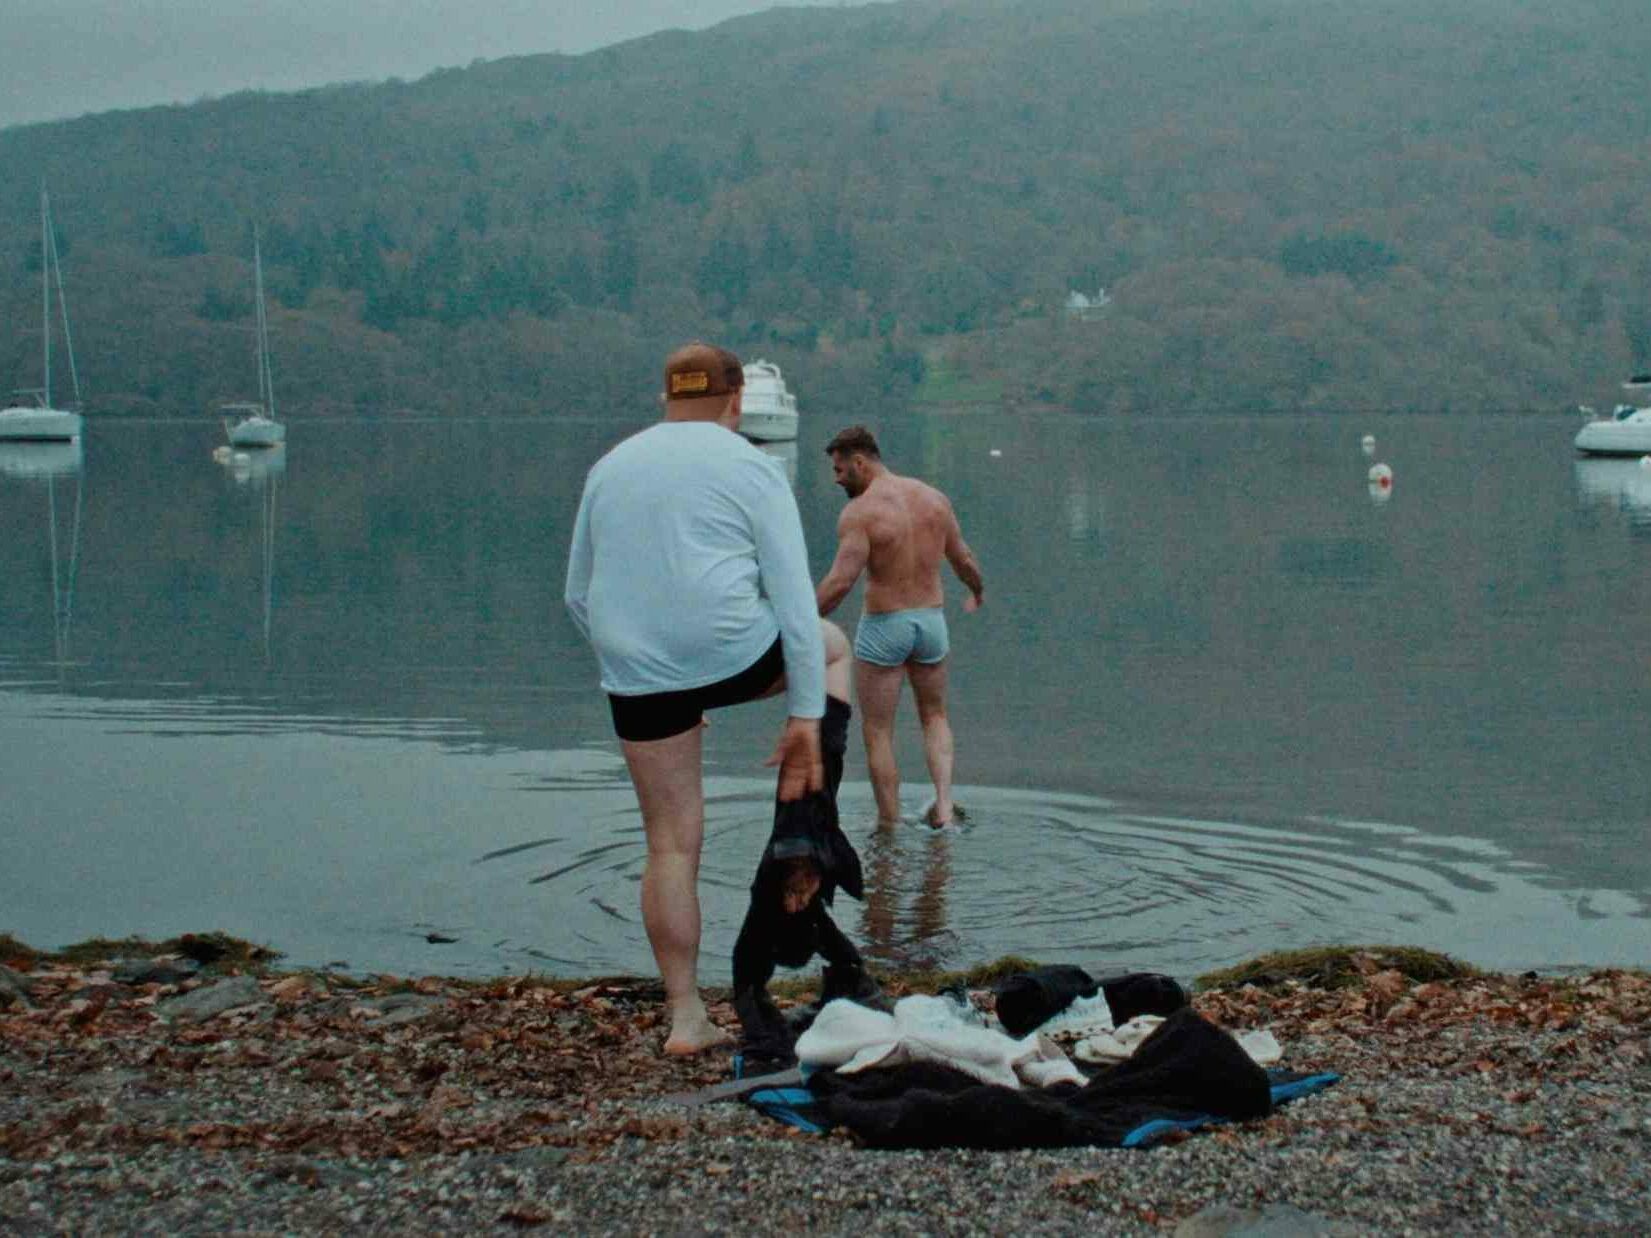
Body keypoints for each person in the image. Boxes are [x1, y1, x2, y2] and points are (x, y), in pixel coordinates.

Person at [565, 342, 852, 1056]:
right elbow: (790, 599)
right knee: (832, 646)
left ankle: (685, 1017)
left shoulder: (610, 466)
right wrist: (804, 718)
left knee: (668, 844)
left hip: (637, 668)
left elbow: (577, 592)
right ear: (734, 403)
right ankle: (801, 812)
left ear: (666, 400)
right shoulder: (750, 465)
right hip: (733, 654)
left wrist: (636, 661)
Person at [815, 425, 984, 828]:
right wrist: (977, 590)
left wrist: (801, 622)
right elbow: (963, 559)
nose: (837, 478)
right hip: (930, 622)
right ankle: (943, 806)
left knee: (877, 731)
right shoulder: (934, 500)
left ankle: (888, 824)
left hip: (884, 625)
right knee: (935, 716)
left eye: (840, 469)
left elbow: (841, 581)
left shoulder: (861, 512)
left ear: (860, 461)